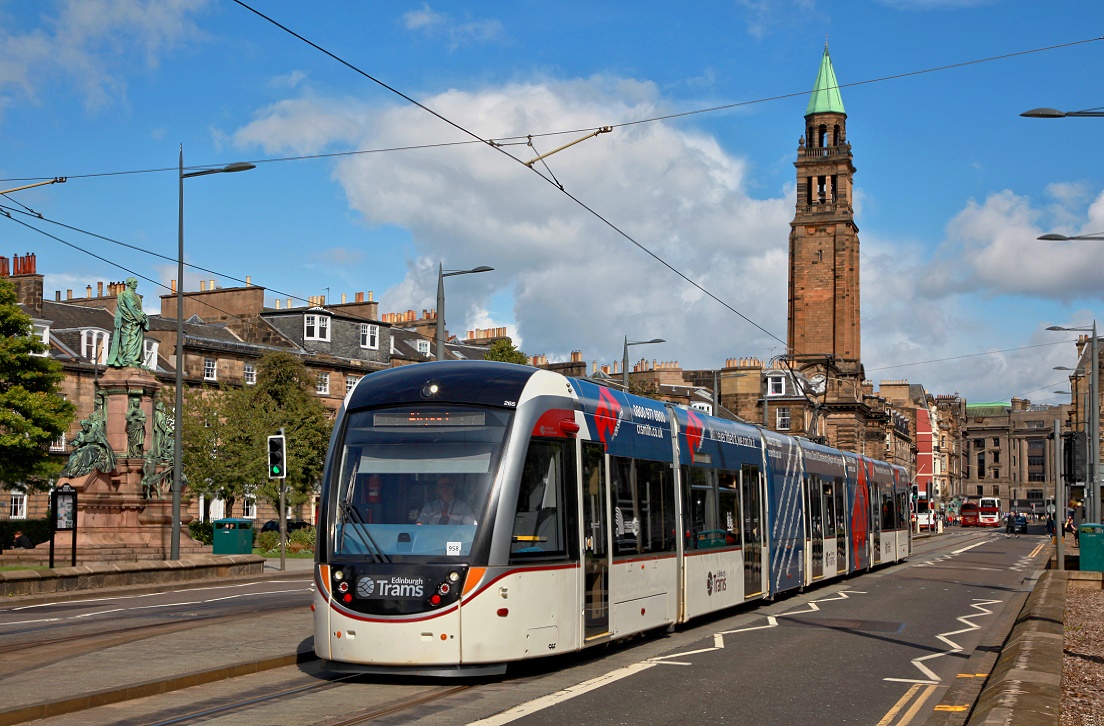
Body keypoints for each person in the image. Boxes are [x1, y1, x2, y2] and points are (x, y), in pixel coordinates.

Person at [106, 277, 150, 368]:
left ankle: (134, 360)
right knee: (129, 340)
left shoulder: (137, 296)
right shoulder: (126, 294)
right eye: (134, 282)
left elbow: (138, 309)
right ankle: (128, 360)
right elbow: (131, 307)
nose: (136, 284)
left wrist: (142, 316)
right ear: (128, 283)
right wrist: (140, 318)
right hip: (129, 321)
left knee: (135, 341)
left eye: (136, 282)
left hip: (136, 323)